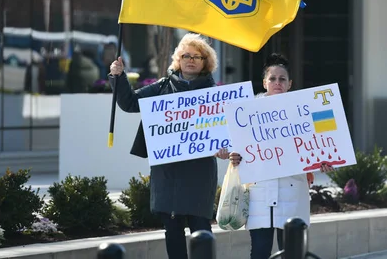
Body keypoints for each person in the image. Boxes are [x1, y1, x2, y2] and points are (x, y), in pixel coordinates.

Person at [108, 33, 229, 259]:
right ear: (178, 59)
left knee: (201, 228)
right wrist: (118, 76)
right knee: (172, 232)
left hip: (199, 172)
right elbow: (130, 103)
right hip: (169, 173)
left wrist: (225, 150)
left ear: (206, 62)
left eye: (197, 56)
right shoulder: (162, 87)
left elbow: (229, 134)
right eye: (185, 55)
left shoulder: (215, 94)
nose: (191, 60)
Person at [228, 53, 333, 259]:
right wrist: (234, 156)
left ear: (290, 83)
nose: (277, 83)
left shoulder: (306, 110)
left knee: (292, 253)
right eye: (272, 79)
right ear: (264, 82)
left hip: (292, 193)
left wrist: (325, 159)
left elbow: (323, 140)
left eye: (282, 79)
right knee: (259, 251)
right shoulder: (246, 113)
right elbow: (236, 147)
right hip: (260, 195)